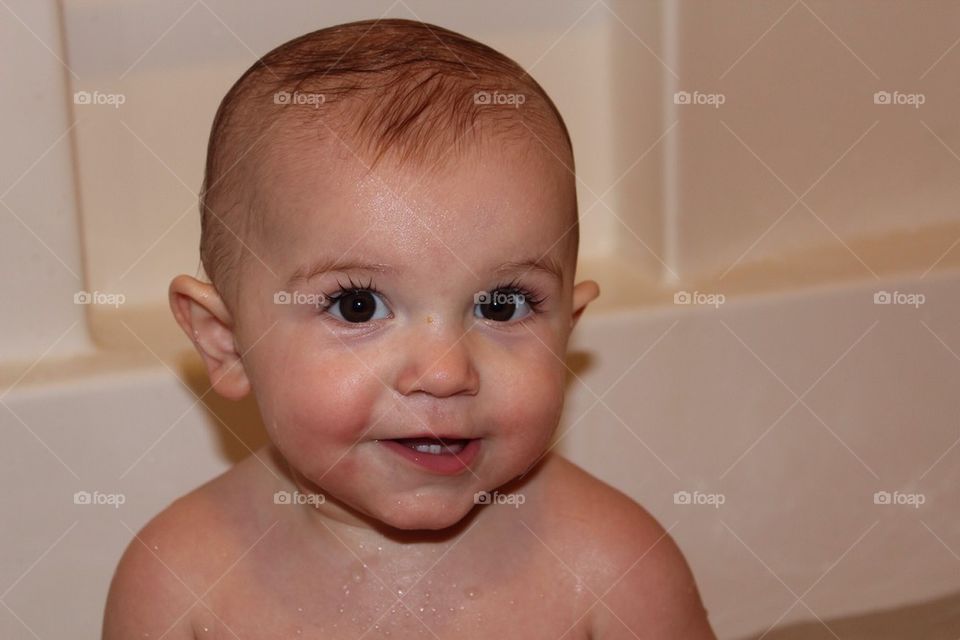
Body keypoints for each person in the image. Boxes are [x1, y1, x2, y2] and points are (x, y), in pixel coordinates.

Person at [103, 18, 716, 639]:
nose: (447, 372)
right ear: (226, 343)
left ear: (565, 332)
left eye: (501, 305)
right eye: (359, 307)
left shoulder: (613, 569)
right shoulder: (179, 581)